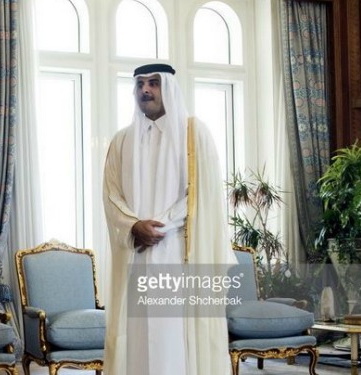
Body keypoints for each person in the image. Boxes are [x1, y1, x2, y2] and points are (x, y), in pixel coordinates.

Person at [102, 63, 236, 374]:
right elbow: (111, 194)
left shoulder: (193, 133)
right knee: (135, 337)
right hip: (135, 252)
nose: (145, 90)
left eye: (153, 83)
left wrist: (160, 226)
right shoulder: (122, 140)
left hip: (176, 252)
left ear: (168, 87)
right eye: (140, 84)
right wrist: (135, 225)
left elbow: (201, 192)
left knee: (173, 336)